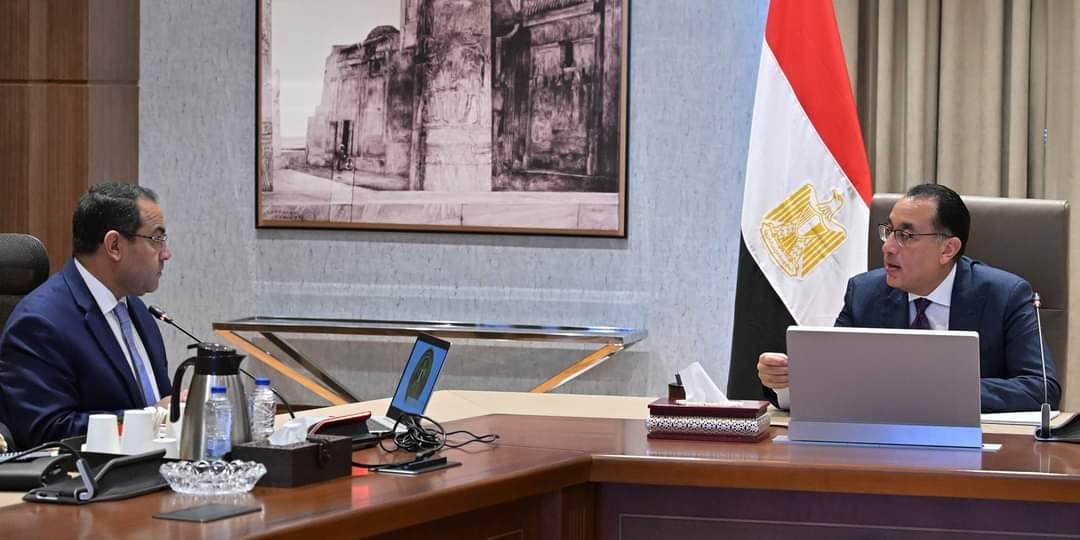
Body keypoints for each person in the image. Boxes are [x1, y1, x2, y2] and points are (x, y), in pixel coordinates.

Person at [757, 184, 1060, 413]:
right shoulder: (864, 294)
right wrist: (785, 381)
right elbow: (833, 380)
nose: (888, 247)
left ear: (948, 249)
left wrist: (937, 391)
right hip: (880, 448)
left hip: (977, 450)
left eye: (906, 236)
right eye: (889, 231)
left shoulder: (1005, 295)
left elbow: (1041, 388)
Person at [0, 182, 175, 448]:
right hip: (85, 473)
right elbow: (46, 431)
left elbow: (161, 403)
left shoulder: (137, 310)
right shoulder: (39, 323)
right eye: (156, 239)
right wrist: (151, 418)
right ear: (114, 245)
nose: (166, 253)